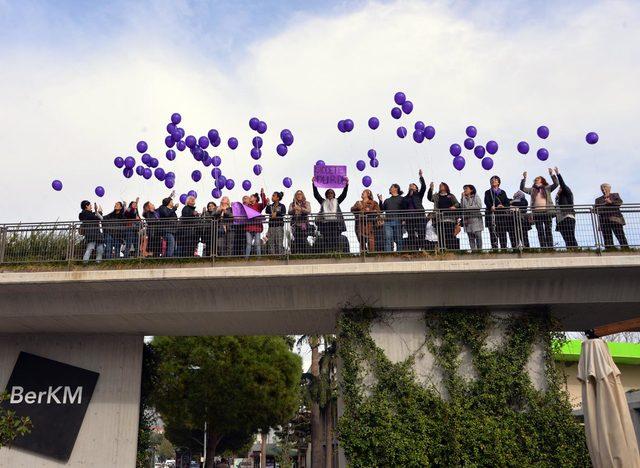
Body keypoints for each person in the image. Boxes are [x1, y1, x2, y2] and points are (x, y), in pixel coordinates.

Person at [520, 169, 558, 248]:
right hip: (537, 213)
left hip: (547, 212)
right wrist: (524, 178)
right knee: (540, 231)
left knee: (548, 230)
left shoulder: (547, 188)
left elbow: (556, 184)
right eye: (536, 178)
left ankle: (550, 247)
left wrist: (552, 175)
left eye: (538, 178)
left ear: (542, 180)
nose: (536, 179)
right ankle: (543, 247)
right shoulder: (532, 190)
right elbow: (522, 188)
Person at [312, 178, 349, 253]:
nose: (330, 194)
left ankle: (335, 252)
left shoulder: (337, 201)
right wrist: (313, 184)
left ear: (334, 195)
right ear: (326, 195)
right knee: (326, 239)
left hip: (336, 224)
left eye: (331, 193)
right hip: (325, 224)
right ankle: (327, 252)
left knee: (336, 239)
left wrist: (346, 184)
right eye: (328, 193)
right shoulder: (323, 201)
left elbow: (344, 195)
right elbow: (316, 195)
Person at [427, 182, 460, 250]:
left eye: (442, 185)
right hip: (439, 219)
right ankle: (443, 250)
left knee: (450, 236)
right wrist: (431, 189)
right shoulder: (436, 195)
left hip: (450, 220)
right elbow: (429, 198)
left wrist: (454, 206)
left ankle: (451, 251)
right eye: (439, 186)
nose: (440, 186)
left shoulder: (451, 195)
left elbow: (457, 203)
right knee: (441, 236)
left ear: (446, 187)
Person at [595, 183, 628, 249]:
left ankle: (626, 249)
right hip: (604, 220)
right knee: (607, 237)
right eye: (602, 188)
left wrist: (610, 202)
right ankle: (610, 250)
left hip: (615, 219)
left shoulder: (615, 195)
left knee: (620, 235)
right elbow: (596, 210)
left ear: (609, 188)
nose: (603, 189)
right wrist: (604, 205)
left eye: (605, 187)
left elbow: (619, 203)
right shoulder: (598, 199)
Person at [484, 175, 511, 249]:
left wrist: (503, 206)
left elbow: (507, 202)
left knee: (502, 232)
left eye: (495, 180)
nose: (493, 181)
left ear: (498, 182)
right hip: (491, 215)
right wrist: (491, 207)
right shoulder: (488, 192)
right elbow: (486, 201)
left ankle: (504, 248)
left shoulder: (502, 192)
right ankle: (494, 249)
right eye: (492, 180)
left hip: (502, 215)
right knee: (493, 232)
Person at [553, 167, 577, 248]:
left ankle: (576, 251)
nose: (558, 189)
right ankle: (570, 251)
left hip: (568, 217)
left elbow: (562, 184)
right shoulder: (558, 198)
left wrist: (558, 174)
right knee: (566, 239)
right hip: (560, 221)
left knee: (570, 237)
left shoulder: (567, 193)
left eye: (560, 188)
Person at [377, 184, 407, 252]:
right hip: (387, 222)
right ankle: (388, 254)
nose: (389, 188)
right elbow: (382, 210)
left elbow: (404, 209)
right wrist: (380, 201)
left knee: (398, 239)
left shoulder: (402, 199)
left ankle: (399, 253)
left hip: (398, 221)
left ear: (396, 189)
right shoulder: (387, 200)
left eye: (391, 187)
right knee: (387, 238)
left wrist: (403, 220)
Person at [403, 169, 427, 250]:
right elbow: (403, 206)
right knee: (411, 234)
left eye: (413, 185)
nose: (411, 186)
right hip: (409, 217)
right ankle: (414, 249)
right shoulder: (406, 197)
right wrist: (409, 195)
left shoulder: (419, 195)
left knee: (421, 232)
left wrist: (421, 176)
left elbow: (424, 187)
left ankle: (422, 249)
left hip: (419, 216)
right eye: (410, 185)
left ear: (416, 188)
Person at [245, 190, 268, 257]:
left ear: (255, 198)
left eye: (251, 196)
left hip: (257, 228)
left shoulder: (258, 205)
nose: (250, 197)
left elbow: (265, 203)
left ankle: (259, 258)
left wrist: (262, 193)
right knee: (248, 243)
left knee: (257, 243)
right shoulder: (247, 206)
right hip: (249, 228)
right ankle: (246, 258)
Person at [460, 184, 483, 251]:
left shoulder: (476, 196)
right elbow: (463, 207)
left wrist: (469, 208)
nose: (465, 190)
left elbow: (479, 206)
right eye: (464, 189)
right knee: (470, 237)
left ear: (471, 189)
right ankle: (473, 251)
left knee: (478, 236)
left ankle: (480, 250)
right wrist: (463, 197)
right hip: (468, 220)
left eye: (466, 188)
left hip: (476, 220)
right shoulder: (463, 198)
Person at [288, 190, 312, 254]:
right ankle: (297, 254)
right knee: (296, 239)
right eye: (297, 194)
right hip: (295, 225)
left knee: (303, 239)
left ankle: (305, 254)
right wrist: (294, 209)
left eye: (300, 194)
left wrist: (300, 209)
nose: (299, 195)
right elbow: (289, 212)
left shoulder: (307, 203)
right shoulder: (292, 204)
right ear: (295, 196)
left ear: (303, 195)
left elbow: (309, 211)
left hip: (304, 224)